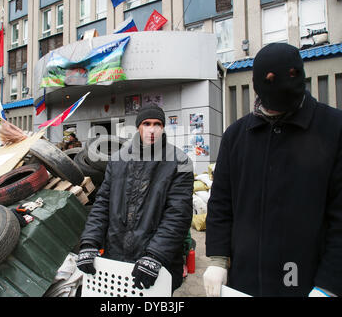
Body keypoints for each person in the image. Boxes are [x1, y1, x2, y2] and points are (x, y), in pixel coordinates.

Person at [203, 43, 342, 297]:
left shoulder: (334, 129)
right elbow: (221, 203)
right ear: (257, 86)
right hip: (245, 281)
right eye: (270, 83)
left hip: (306, 279)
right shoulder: (236, 136)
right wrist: (218, 259)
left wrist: (329, 284)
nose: (282, 93)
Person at [76, 104, 194, 292]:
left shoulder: (182, 161)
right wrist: (90, 242)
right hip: (116, 258)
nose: (152, 128)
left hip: (155, 263)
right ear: (138, 126)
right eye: (146, 123)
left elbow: (178, 214)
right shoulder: (117, 159)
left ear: (163, 128)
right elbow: (102, 204)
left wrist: (155, 256)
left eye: (157, 124)